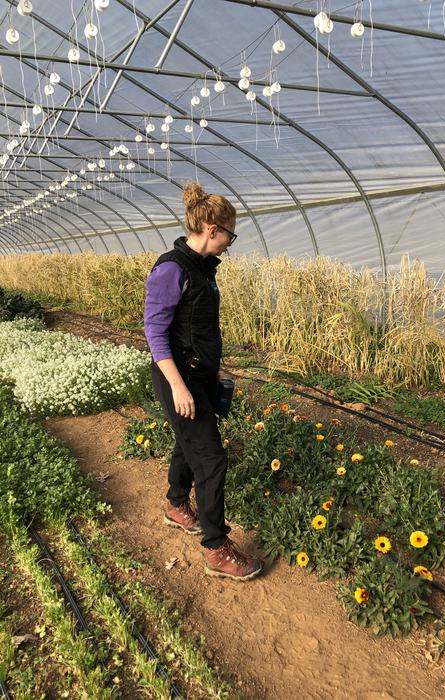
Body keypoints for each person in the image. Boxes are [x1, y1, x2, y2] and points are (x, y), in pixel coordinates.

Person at [143, 181, 263, 581]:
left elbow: (199, 329)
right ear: (212, 228)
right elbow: (156, 334)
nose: (231, 241)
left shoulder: (202, 270)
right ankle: (216, 547)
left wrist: (213, 370)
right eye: (230, 232)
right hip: (177, 377)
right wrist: (179, 386)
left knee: (187, 441)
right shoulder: (171, 269)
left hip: (199, 375)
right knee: (211, 459)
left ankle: (177, 504)